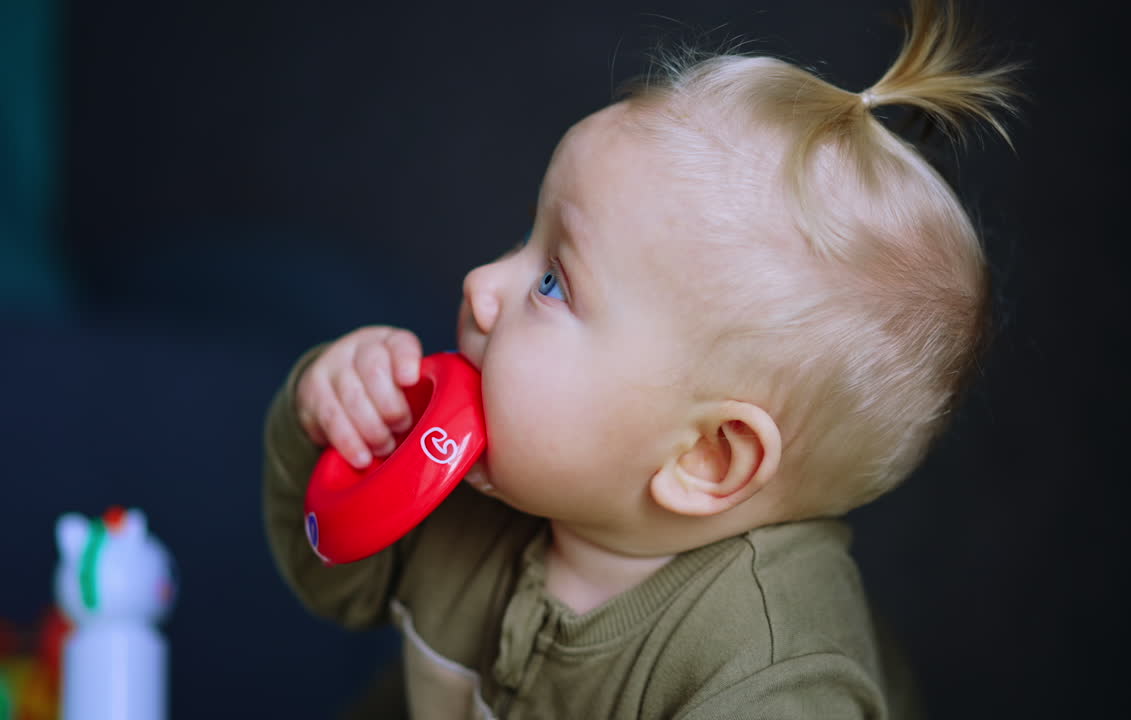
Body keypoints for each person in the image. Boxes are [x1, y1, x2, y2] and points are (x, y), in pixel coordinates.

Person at [262, 0, 1019, 716]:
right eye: (526, 237)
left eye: (554, 281)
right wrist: (334, 421)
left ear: (707, 457)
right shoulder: (470, 483)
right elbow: (334, 572)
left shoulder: (769, 672)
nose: (481, 284)